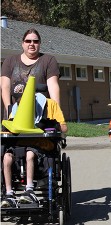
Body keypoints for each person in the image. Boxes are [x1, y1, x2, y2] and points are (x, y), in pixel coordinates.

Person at [1, 28, 61, 207]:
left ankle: (30, 190)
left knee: (30, 152)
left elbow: (53, 86)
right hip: (15, 117)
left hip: (40, 117)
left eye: (35, 41)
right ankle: (8, 193)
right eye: (28, 41)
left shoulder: (47, 61)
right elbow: (4, 86)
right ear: (22, 43)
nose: (31, 44)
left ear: (39, 43)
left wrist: (55, 111)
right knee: (6, 154)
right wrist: (9, 109)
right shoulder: (11, 61)